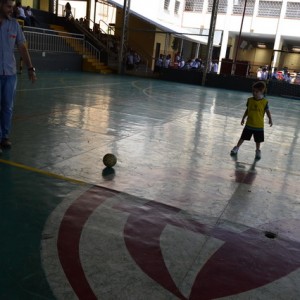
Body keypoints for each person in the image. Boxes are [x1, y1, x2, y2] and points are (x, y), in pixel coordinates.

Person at [0, 0, 37, 154]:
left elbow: (22, 48)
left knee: (7, 107)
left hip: (10, 74)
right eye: (8, 6)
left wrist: (30, 68)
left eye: (13, 6)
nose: (12, 10)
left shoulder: (14, 25)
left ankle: (5, 136)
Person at [230, 81, 273, 160]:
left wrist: (270, 119)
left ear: (261, 91)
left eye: (256, 91)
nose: (254, 93)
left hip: (259, 125)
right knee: (243, 137)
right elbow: (247, 110)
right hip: (249, 124)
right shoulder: (250, 100)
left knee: (258, 140)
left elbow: (267, 111)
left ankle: (257, 151)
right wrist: (243, 118)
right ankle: (236, 148)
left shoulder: (264, 102)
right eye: (253, 91)